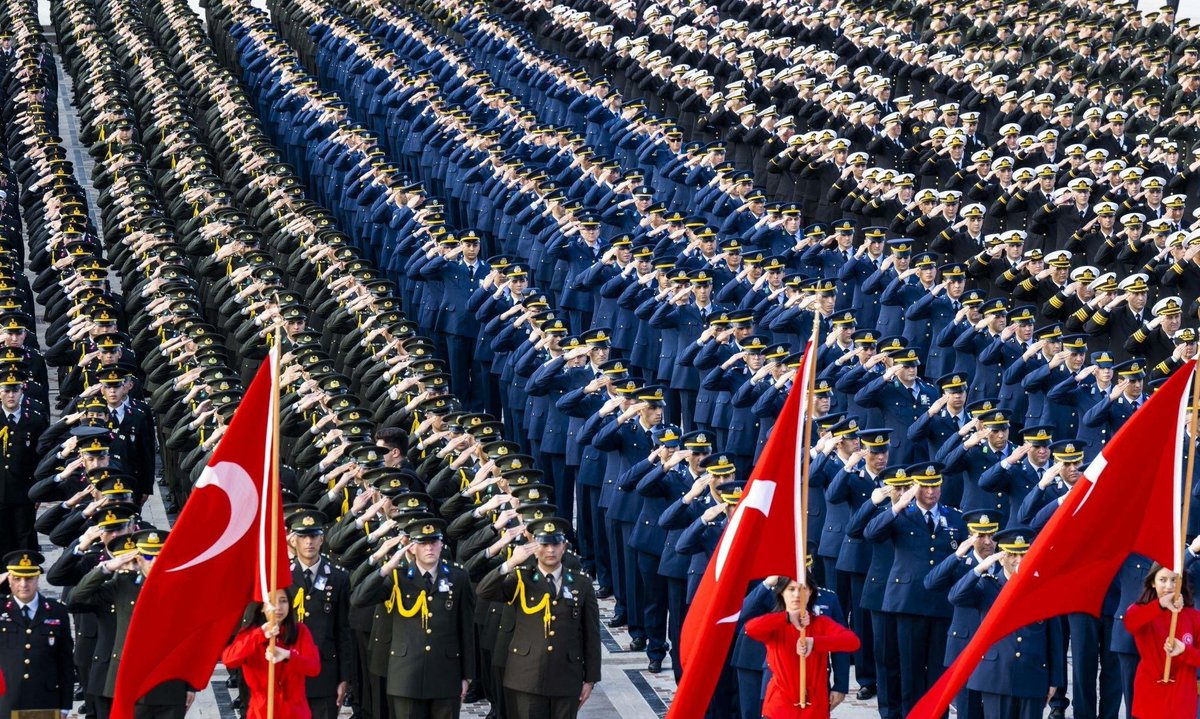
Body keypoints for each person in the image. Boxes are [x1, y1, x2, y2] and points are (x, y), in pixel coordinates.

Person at [744, 574, 860, 719]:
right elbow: (751, 628)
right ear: (781, 592)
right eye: (791, 589)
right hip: (780, 708)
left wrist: (815, 643)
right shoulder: (775, 624)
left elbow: (852, 642)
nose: (797, 594)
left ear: (811, 592)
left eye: (802, 589)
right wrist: (786, 617)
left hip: (814, 708)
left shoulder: (821, 623)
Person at [222, 589, 321, 719]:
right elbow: (229, 659)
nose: (278, 607)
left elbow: (314, 667)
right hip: (261, 711)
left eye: (283, 601)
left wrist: (289, 656)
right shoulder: (250, 633)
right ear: (262, 607)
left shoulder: (300, 631)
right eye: (271, 601)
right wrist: (259, 634)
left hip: (295, 712)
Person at [0, 550, 74, 718]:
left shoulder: (56, 611)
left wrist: (65, 705)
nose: (23, 584)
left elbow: (65, 663)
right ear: (8, 579)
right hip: (5, 700)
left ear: (37, 579)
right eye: (17, 578)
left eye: (29, 578)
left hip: (44, 700)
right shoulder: (1, 609)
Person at [1123, 563, 1200, 719]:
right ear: (1153, 582)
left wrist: (1185, 651)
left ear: (1181, 582)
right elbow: (1130, 623)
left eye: (1174, 580)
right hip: (1149, 695)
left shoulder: (1193, 616)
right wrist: (1159, 605)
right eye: (1162, 580)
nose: (1168, 586)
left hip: (1182, 699)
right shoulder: (1140, 610)